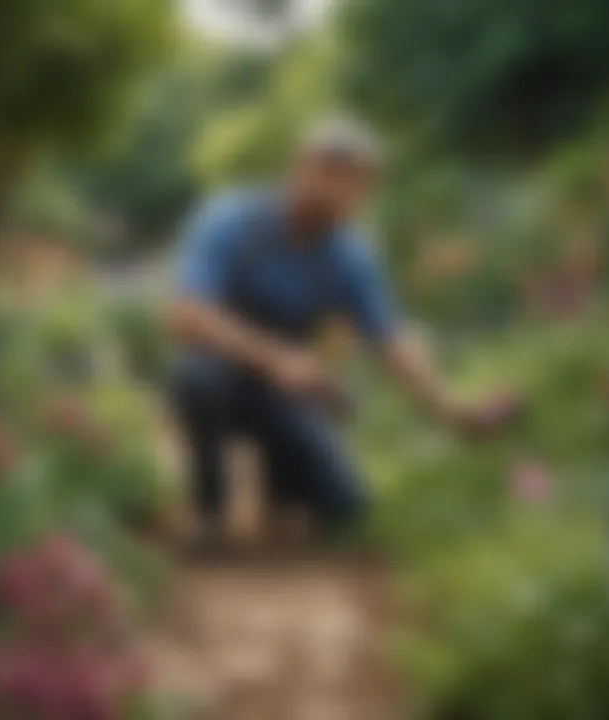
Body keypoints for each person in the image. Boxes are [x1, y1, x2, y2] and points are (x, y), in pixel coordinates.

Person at [166, 116, 518, 547]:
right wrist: (275, 357)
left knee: (347, 507)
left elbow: (390, 340)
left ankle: (286, 496)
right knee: (199, 382)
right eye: (338, 177)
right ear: (303, 168)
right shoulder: (228, 218)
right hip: (223, 371)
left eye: (361, 185)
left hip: (286, 393)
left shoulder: (349, 254)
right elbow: (188, 314)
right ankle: (211, 512)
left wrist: (452, 411)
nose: (348, 196)